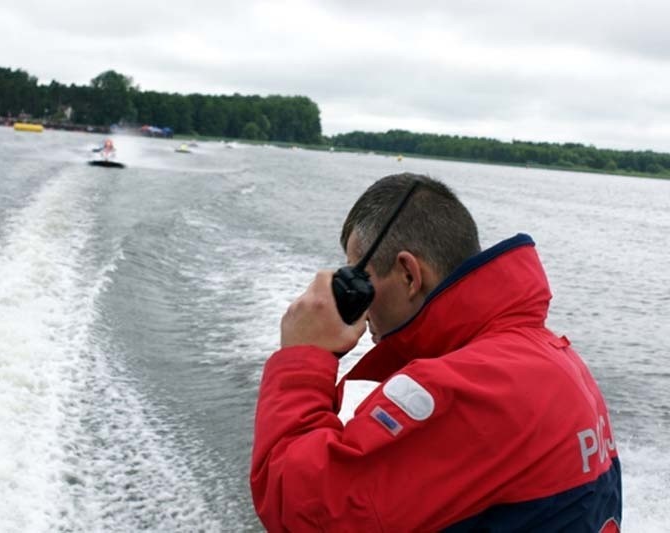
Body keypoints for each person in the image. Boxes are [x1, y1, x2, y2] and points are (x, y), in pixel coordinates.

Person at [250, 173, 622, 532]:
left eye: (359, 278)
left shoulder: (461, 389)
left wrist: (303, 357)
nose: (358, 305)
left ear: (409, 275)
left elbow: (301, 509)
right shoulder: (558, 359)